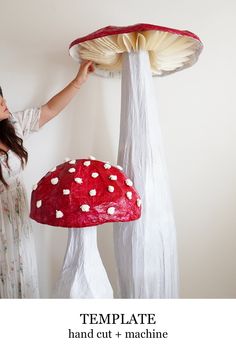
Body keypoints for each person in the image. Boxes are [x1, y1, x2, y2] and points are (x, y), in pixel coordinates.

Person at [0, 60, 95, 298]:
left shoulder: (14, 127)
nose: (3, 100)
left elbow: (50, 110)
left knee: (23, 275)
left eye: (1, 95)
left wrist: (78, 81)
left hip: (18, 221)